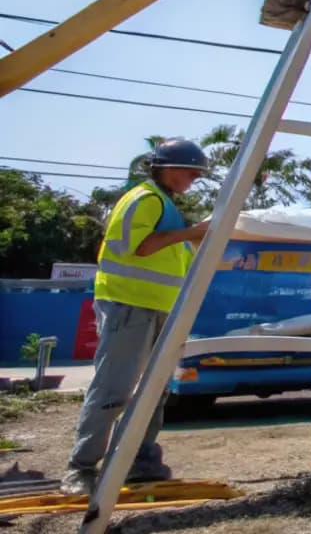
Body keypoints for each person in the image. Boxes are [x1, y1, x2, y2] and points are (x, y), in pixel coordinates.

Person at [62, 139, 213, 496]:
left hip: (160, 308)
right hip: (130, 305)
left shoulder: (165, 205)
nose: (194, 178)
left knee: (155, 392)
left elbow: (171, 256)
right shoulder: (145, 199)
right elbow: (141, 246)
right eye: (190, 171)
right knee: (113, 390)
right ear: (166, 168)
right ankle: (81, 469)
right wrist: (192, 233)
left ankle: (140, 462)